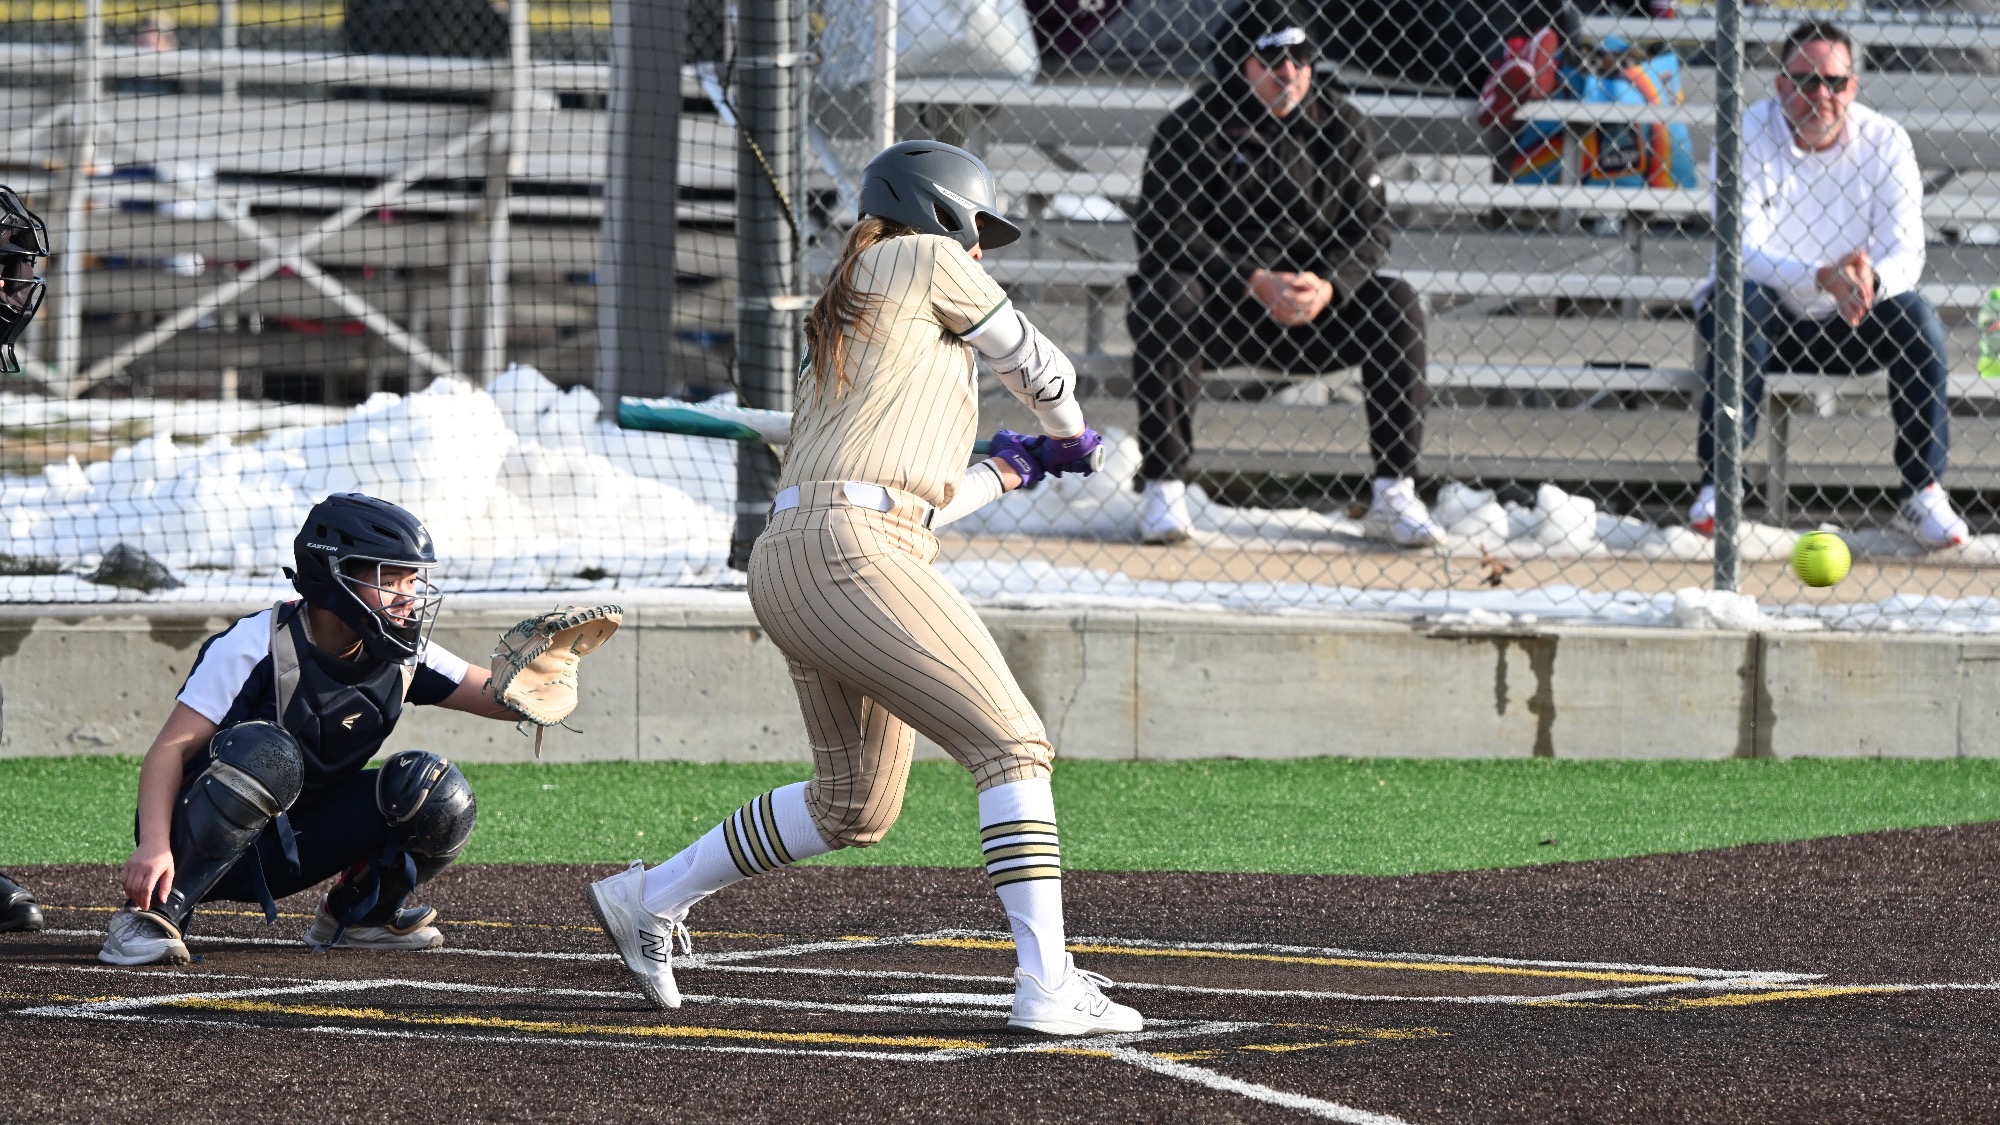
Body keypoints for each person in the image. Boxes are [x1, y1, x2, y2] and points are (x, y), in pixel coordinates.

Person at [587, 140, 1143, 1037]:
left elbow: (918, 497)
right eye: (977, 236)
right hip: (853, 547)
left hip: (813, 552)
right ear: (944, 214)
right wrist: (1070, 430)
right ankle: (1048, 984)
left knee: (853, 803)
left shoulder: (858, 333)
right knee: (1012, 743)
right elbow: (1035, 363)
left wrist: (1015, 468)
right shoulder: (918, 257)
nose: (978, 255)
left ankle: (647, 896)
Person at [99, 494, 571, 965]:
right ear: (334, 575)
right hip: (192, 842)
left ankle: (360, 914)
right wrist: (154, 846)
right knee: (270, 752)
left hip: (293, 848)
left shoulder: (403, 651)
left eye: (413, 579)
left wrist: (544, 684)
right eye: (391, 579)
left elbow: (496, 695)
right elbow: (168, 752)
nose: (409, 596)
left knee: (435, 790)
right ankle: (153, 914)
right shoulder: (253, 645)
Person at [1125, 0, 1442, 548]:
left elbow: (1372, 232)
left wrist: (1329, 284)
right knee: (1165, 295)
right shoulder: (1191, 127)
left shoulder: (1341, 124)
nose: (1290, 72)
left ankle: (1394, 490)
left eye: (1301, 58)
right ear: (1240, 63)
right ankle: (1164, 485)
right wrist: (1252, 277)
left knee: (1397, 303)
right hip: (1219, 311)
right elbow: (1164, 231)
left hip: (1313, 312)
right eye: (1272, 59)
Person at [1689, 20, 1966, 549]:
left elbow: (1909, 251)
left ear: (1853, 87)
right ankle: (1719, 481)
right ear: (1779, 84)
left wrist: (1870, 280)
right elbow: (1737, 252)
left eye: (1835, 82)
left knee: (1918, 318)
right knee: (1735, 303)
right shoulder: (1744, 133)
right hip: (1768, 320)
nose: (1821, 94)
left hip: (1854, 319)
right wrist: (1820, 276)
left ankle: (1923, 490)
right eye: (1805, 80)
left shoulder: (1886, 141)